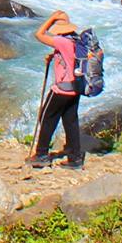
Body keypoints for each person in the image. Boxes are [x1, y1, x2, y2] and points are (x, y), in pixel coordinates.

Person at [30, 10, 84, 169]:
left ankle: (41, 154)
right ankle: (75, 158)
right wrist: (54, 56)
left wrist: (51, 17)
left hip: (61, 89)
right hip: (75, 88)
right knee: (71, 121)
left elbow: (38, 34)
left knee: (47, 118)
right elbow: (69, 58)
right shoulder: (76, 39)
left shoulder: (61, 41)